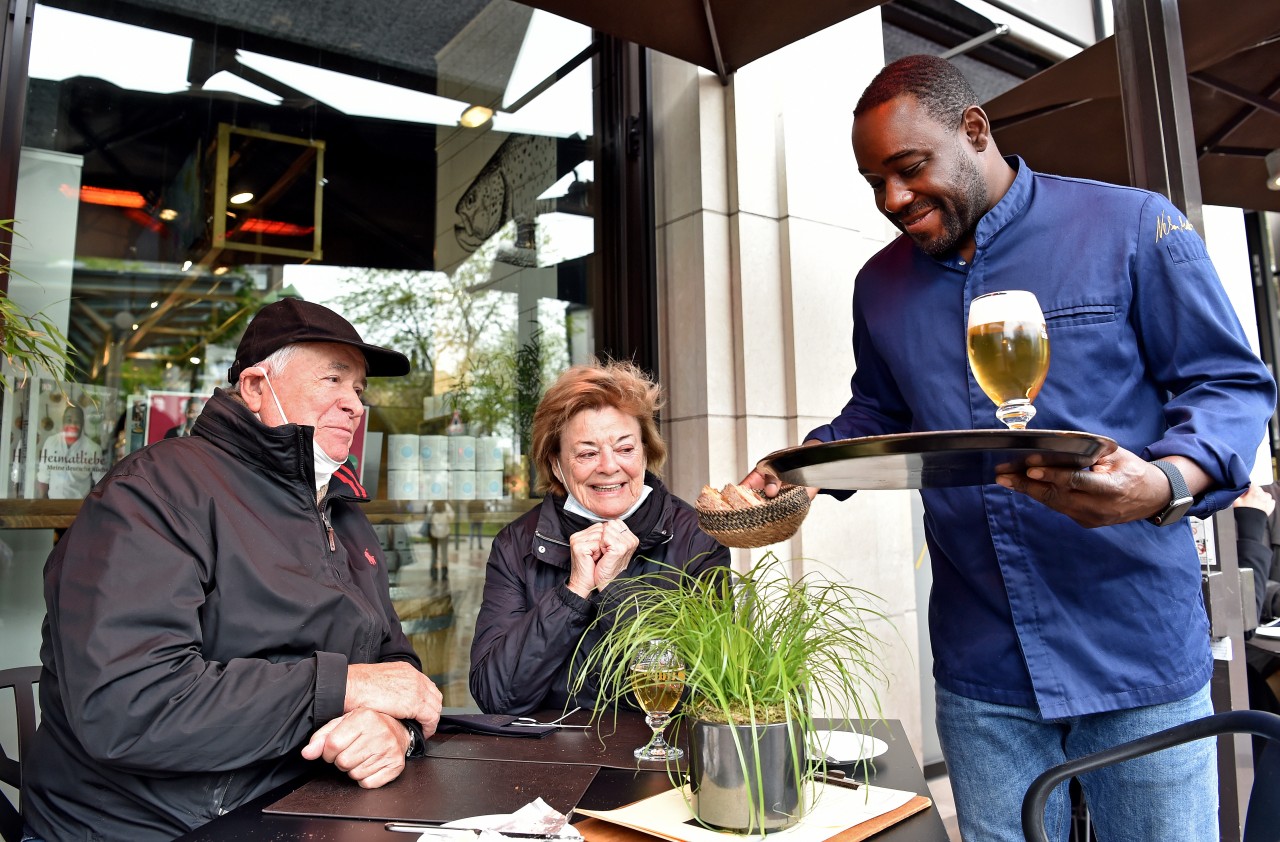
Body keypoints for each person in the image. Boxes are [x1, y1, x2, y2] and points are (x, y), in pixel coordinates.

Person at [744, 55, 1276, 842]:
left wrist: (1164, 483)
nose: (893, 199)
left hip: (1133, 648)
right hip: (981, 660)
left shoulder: (1133, 226)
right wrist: (802, 472)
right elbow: (878, 413)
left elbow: (1228, 387)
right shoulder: (879, 286)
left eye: (910, 167)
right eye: (873, 183)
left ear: (974, 128)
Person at [23, 298, 443, 842]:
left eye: (359, 389)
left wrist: (392, 728)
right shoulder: (155, 492)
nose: (354, 405)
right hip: (153, 825)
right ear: (254, 387)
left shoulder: (339, 510)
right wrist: (341, 688)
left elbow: (394, 669)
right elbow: (130, 707)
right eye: (333, 380)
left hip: (304, 807)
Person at [469, 360, 730, 715]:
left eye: (625, 448)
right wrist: (573, 593)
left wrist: (616, 590)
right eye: (588, 453)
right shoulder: (517, 544)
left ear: (646, 452)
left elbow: (707, 690)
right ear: (557, 464)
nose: (609, 466)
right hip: (546, 761)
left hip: (662, 755)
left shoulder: (697, 536)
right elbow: (495, 697)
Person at [35, 403, 105, 499]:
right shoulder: (51, 442)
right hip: (52, 503)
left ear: (83, 423)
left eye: (77, 422)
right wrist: (43, 503)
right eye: (69, 420)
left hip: (79, 506)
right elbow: (43, 476)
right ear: (63, 421)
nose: (72, 425)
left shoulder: (93, 449)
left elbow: (101, 482)